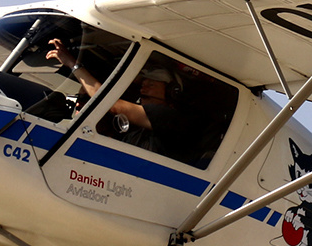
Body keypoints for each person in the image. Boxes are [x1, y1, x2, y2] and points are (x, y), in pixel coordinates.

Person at [48, 40, 202, 161]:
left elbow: (111, 104)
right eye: (143, 84)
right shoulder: (138, 128)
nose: (143, 89)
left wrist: (72, 64)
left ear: (171, 91)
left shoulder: (166, 116)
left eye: (151, 84)